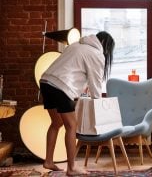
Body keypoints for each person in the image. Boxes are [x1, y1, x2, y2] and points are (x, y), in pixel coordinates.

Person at [39, 31, 115, 176]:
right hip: (60, 86)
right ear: (105, 45)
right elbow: (96, 86)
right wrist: (98, 100)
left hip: (46, 82)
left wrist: (82, 90)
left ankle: (48, 160)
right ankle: (72, 167)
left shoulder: (76, 45)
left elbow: (73, 71)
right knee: (72, 125)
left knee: (56, 123)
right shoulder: (96, 53)